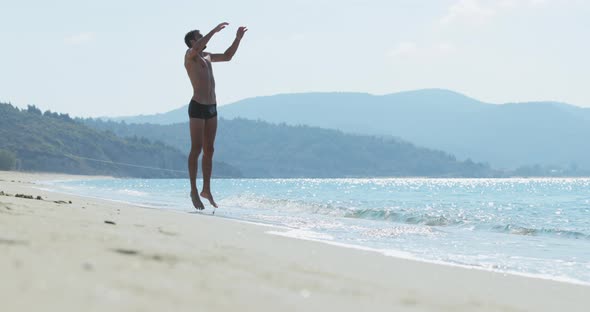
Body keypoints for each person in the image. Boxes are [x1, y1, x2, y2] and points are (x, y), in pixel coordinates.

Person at [184, 22, 247, 210]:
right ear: (193, 41)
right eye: (199, 35)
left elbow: (228, 56)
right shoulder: (190, 56)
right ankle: (194, 190)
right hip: (197, 107)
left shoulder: (208, 56)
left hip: (212, 107)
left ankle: (206, 189)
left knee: (209, 149)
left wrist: (237, 39)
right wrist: (214, 31)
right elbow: (195, 48)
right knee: (196, 149)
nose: (203, 37)